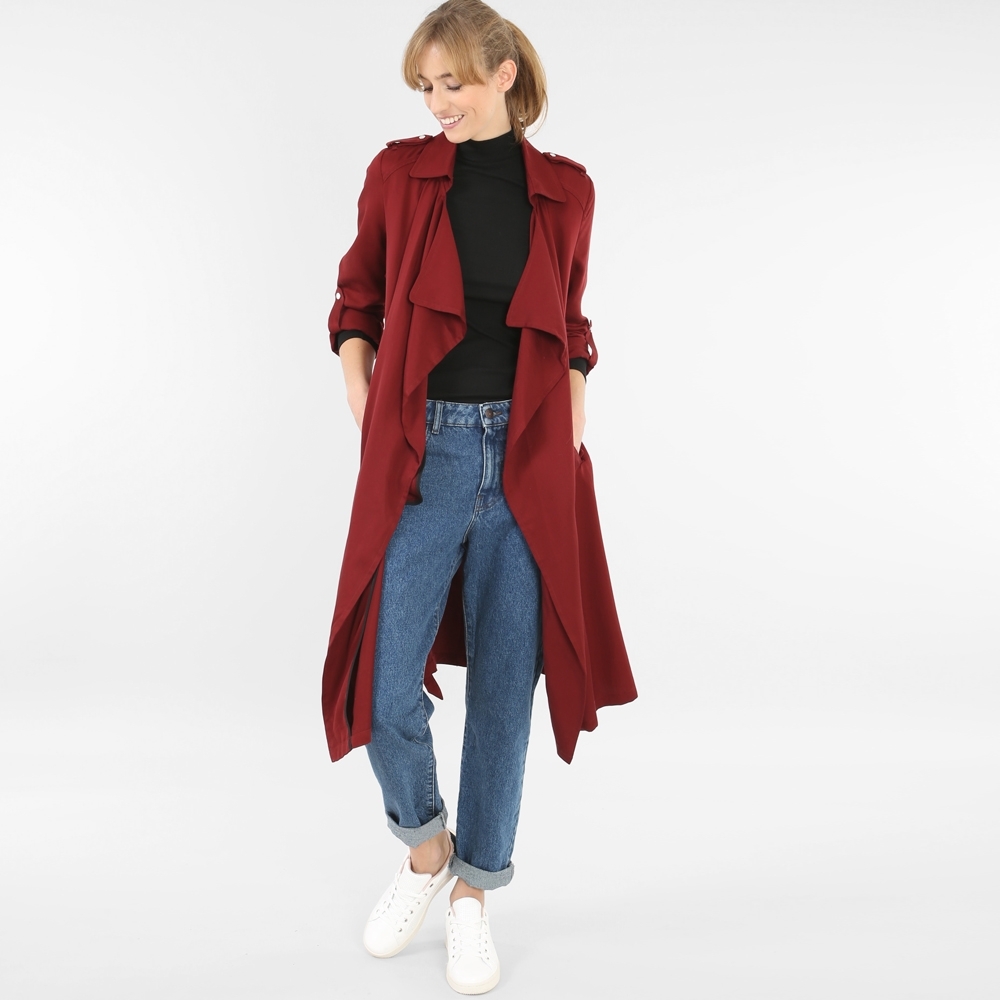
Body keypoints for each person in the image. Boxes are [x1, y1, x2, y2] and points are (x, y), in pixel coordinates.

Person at [321, 0, 636, 993]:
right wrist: (368, 406)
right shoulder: (398, 176)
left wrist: (570, 421)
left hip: (530, 461)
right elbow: (356, 303)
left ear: (503, 74)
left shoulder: (567, 191)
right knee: (383, 686)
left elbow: (571, 325)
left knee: (504, 692)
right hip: (426, 455)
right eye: (425, 87)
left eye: (451, 82)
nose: (436, 103)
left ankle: (473, 895)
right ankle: (426, 850)